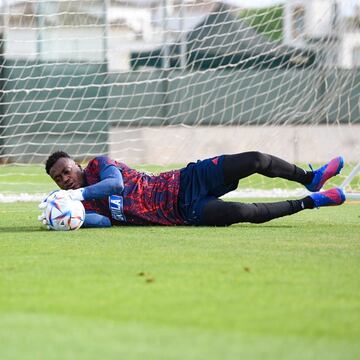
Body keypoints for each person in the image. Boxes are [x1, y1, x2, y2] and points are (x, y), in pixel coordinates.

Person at [41, 151, 346, 228]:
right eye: (58, 179)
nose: (64, 179)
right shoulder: (84, 207)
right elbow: (104, 222)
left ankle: (310, 177)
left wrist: (76, 196)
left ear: (77, 165)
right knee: (243, 212)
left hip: (186, 180)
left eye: (66, 171)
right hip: (184, 212)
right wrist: (66, 218)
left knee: (256, 159)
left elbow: (116, 184)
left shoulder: (98, 166)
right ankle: (313, 201)